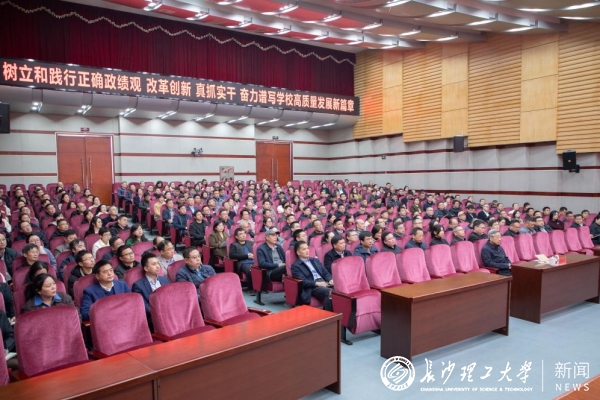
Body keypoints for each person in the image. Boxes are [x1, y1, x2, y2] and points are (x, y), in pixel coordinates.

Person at [291, 241, 333, 311]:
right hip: (313, 286)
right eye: (304, 249)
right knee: (330, 292)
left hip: (324, 282)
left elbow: (325, 272)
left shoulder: (315, 260)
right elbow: (303, 282)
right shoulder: (296, 266)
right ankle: (329, 314)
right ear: (298, 252)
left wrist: (330, 279)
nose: (307, 251)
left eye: (307, 248)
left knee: (340, 291)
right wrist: (317, 283)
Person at [132, 252, 170, 318]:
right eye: (154, 264)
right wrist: (159, 313)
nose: (158, 266)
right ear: (146, 268)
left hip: (169, 312)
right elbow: (143, 305)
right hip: (153, 316)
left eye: (158, 263)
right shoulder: (138, 285)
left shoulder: (165, 280)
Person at [229, 227, 255, 295]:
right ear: (236, 237)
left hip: (254, 261)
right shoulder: (234, 245)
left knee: (261, 268)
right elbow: (232, 255)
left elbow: (256, 251)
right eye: (241, 234)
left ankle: (261, 288)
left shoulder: (250, 243)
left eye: (244, 233)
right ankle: (250, 288)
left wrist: (254, 255)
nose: (243, 235)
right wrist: (246, 256)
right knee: (250, 270)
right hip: (243, 263)